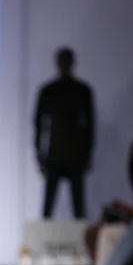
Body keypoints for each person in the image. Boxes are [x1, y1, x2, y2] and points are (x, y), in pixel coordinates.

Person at [34, 48, 95, 218]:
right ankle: (44, 235)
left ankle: (81, 236)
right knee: (48, 207)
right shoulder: (49, 91)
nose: (65, 64)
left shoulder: (82, 91)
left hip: (74, 155)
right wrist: (40, 156)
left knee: (78, 207)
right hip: (55, 154)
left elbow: (90, 126)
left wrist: (88, 155)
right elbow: (38, 125)